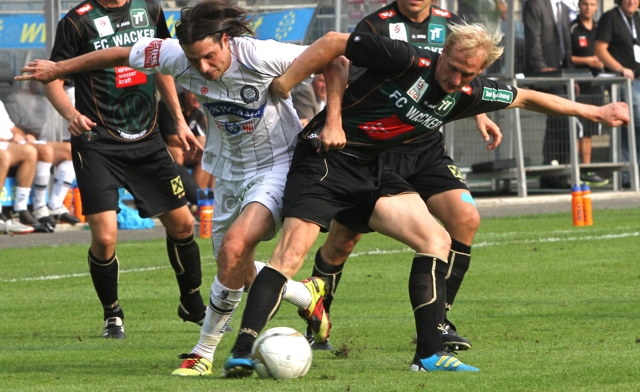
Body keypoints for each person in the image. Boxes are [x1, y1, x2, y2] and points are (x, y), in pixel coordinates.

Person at [221, 22, 628, 377]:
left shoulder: (468, 92)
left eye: (466, 74)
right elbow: (333, 43)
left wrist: (595, 114)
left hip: (372, 170)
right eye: (451, 67)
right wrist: (287, 86)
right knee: (290, 255)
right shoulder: (404, 58)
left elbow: (527, 97)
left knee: (436, 241)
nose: (455, 78)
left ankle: (429, 353)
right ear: (443, 52)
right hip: (326, 158)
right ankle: (241, 352)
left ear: (479, 71)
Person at [17, 0, 347, 376]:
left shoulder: (259, 54)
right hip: (227, 171)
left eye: (209, 56)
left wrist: (333, 119)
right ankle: (307, 296)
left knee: (237, 248)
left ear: (226, 40)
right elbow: (117, 54)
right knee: (234, 268)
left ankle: (203, 353)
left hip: (276, 166)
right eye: (194, 61)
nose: (202, 68)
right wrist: (59, 68)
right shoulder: (172, 55)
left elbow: (335, 58)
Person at [303, 0, 501, 353]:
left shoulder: (452, 27)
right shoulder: (374, 26)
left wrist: (481, 114)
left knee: (465, 218)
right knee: (343, 241)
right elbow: (341, 74)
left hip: (426, 146)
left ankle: (439, 321)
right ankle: (316, 317)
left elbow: (467, 79)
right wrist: (333, 120)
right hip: (377, 147)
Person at [29, 0, 207, 339]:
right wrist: (71, 114)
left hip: (146, 137)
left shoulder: (149, 8)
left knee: (183, 225)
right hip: (97, 142)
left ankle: (191, 302)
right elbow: (52, 77)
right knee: (106, 238)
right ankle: (112, 314)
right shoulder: (76, 21)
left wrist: (177, 120)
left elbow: (162, 64)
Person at [523, 0, 573, 189]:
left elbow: (566, 43)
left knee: (563, 120)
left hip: (562, 72)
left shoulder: (563, 6)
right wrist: (540, 66)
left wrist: (572, 73)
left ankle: (559, 169)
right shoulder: (535, 2)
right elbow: (532, 38)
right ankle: (550, 170)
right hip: (545, 72)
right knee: (556, 118)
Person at [595, 0, 640, 186]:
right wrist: (620, 69)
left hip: (638, 80)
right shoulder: (610, 18)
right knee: (630, 124)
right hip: (623, 82)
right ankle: (626, 175)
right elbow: (600, 49)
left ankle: (634, 173)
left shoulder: (637, 19)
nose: (632, 1)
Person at [570, 0, 607, 186]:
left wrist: (601, 62)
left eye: (592, 4)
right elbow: (566, 56)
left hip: (595, 84)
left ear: (597, 6)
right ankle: (575, 168)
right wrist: (588, 60)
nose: (588, 7)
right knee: (577, 128)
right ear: (579, 4)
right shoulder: (572, 28)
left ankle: (587, 168)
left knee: (591, 129)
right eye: (585, 3)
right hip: (577, 84)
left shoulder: (601, 28)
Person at [0, 100, 38, 234]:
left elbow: (11, 127)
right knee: (3, 156)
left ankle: (21, 207)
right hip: (3, 145)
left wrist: (22, 136)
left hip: (6, 144)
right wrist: (7, 140)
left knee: (30, 151)